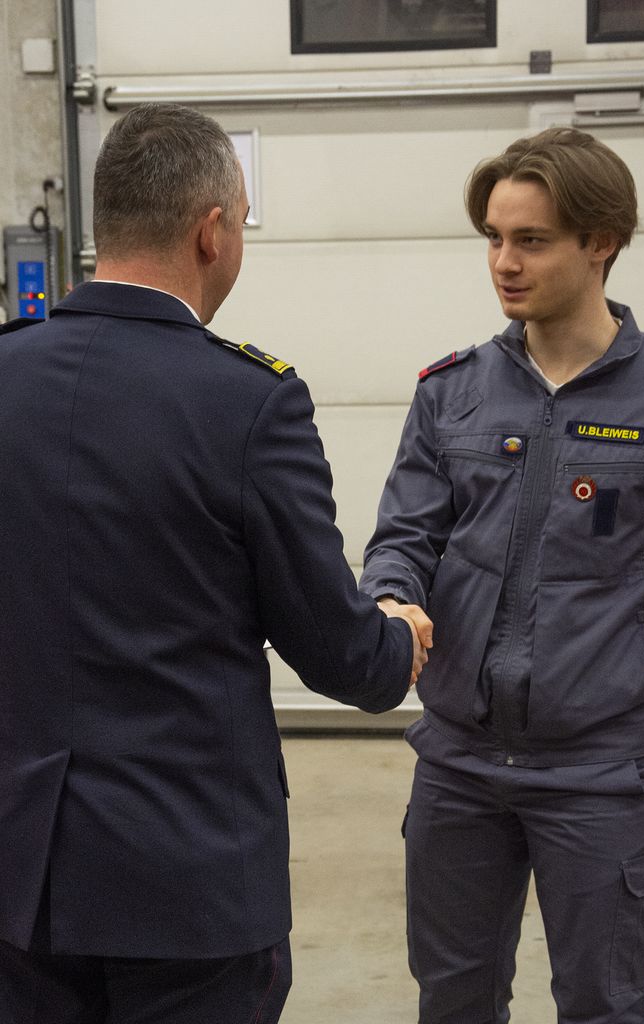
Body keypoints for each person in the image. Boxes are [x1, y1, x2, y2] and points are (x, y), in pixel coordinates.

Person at [0, 103, 432, 1024]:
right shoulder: (248, 403)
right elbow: (340, 654)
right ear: (212, 231)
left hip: (18, 877)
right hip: (186, 886)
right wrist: (397, 638)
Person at [360, 126, 644, 1024]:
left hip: (600, 774)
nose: (504, 262)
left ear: (601, 241)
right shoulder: (451, 391)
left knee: (603, 1005)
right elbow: (404, 535)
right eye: (494, 238)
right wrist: (392, 597)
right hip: (457, 765)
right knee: (453, 1001)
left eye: (531, 240)